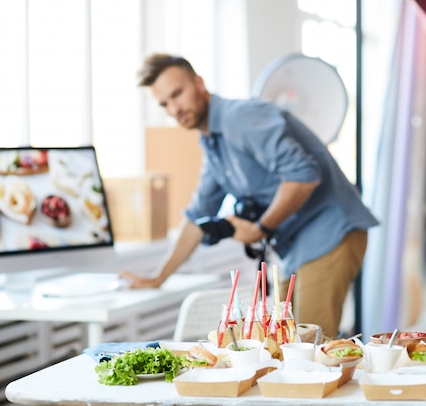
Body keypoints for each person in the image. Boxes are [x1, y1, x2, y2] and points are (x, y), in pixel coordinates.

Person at [119, 53, 378, 338]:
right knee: (278, 340)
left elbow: (303, 175)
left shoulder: (240, 118)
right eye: (164, 104)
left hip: (330, 231)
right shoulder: (212, 143)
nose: (173, 109)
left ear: (199, 83)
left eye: (177, 94)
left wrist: (260, 228)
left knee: (308, 347)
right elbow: (196, 217)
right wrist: (158, 277)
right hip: (296, 246)